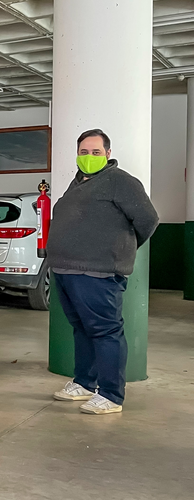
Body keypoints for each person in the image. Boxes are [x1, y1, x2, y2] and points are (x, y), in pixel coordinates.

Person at [47, 128, 159, 415]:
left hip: (97, 272)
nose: (89, 156)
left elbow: (148, 219)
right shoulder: (78, 182)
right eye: (83, 152)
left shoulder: (120, 181)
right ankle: (85, 383)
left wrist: (119, 248)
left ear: (108, 154)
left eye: (95, 152)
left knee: (105, 331)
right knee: (82, 328)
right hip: (66, 269)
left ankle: (111, 395)